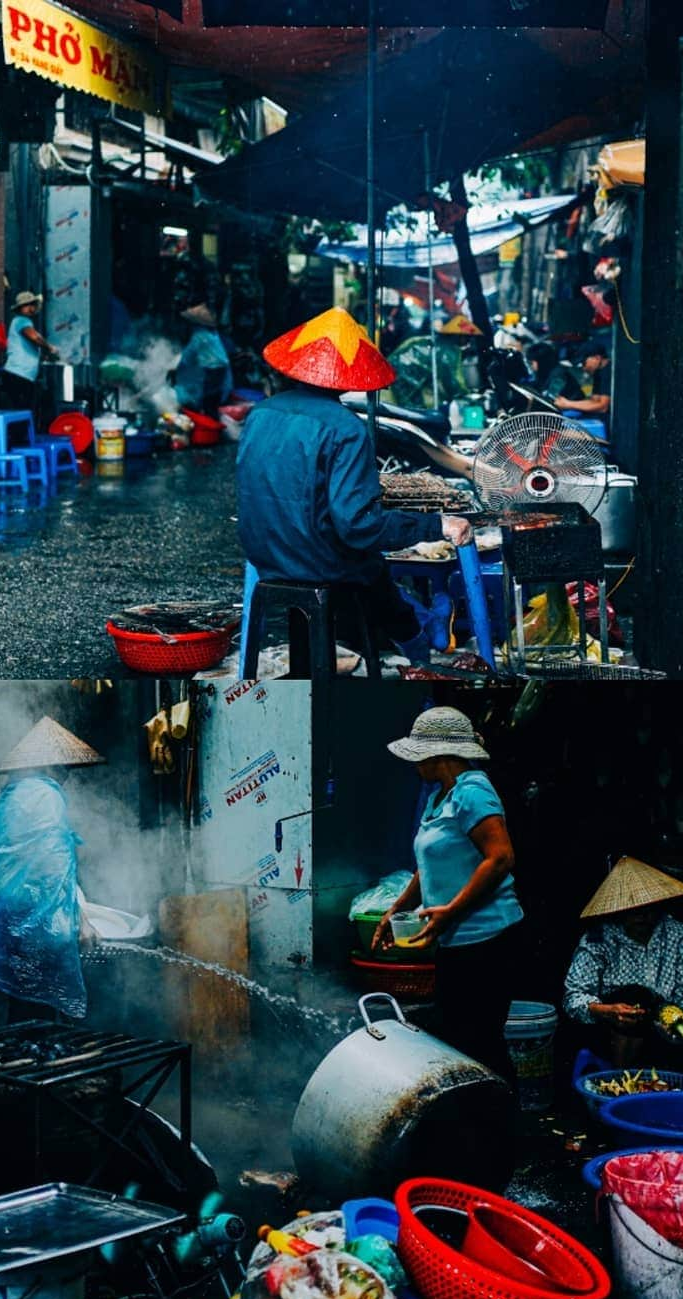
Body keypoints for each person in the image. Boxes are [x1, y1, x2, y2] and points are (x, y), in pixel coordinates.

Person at [236, 307, 472, 652]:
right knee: (373, 568)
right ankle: (419, 642)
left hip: (264, 554)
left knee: (372, 573)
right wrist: (436, 526)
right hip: (317, 565)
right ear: (348, 375)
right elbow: (357, 525)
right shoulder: (345, 427)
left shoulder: (260, 413)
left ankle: (417, 624)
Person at [373, 706, 524, 1082]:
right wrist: (397, 909)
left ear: (438, 756)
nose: (414, 765)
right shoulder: (439, 796)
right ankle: (471, 1129)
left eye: (418, 757)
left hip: (489, 940)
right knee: (459, 1040)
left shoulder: (473, 792)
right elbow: (429, 868)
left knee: (482, 1043)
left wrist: (449, 912)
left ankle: (502, 1130)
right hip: (457, 941)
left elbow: (501, 857)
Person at [0, 715, 103, 1022]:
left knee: (10, 1010)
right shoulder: (45, 796)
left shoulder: (13, 795)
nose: (66, 776)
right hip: (30, 919)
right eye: (64, 769)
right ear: (50, 766)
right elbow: (52, 869)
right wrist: (80, 920)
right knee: (37, 1013)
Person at [563, 855, 683, 1066]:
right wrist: (607, 1011)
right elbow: (574, 997)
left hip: (664, 1027)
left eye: (649, 909)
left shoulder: (681, 935)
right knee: (635, 996)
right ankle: (621, 1080)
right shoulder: (599, 937)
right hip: (615, 1027)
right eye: (634, 911)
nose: (643, 917)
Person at [2, 290, 59, 412]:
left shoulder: (23, 322)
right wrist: (50, 348)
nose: (29, 308)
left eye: (31, 304)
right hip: (19, 374)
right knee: (22, 412)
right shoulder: (22, 321)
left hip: (21, 375)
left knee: (20, 411)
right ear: (20, 308)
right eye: (26, 305)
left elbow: (32, 342)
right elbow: (35, 338)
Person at [174, 304, 233, 416]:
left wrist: (207, 400)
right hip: (197, 388)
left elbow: (216, 367)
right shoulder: (204, 335)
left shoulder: (203, 338)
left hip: (204, 393)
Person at [554, 339, 611, 417]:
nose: (583, 368)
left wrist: (568, 404)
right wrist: (566, 403)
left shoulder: (608, 372)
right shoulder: (598, 374)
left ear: (597, 358)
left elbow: (603, 406)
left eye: (584, 363)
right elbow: (594, 402)